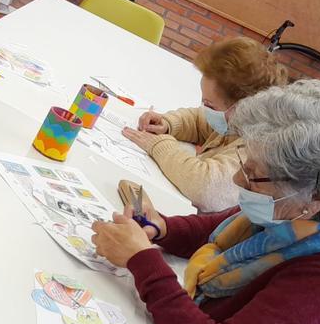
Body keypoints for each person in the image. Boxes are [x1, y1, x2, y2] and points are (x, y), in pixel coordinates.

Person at [92, 80, 320, 324]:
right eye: (246, 163)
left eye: (254, 174)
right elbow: (217, 227)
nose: (239, 180)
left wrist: (143, 262)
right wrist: (162, 229)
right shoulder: (292, 212)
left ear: (318, 197)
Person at [122, 37, 289, 211]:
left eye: (209, 104)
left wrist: (159, 145)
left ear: (242, 108)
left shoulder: (260, 151)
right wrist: (169, 123)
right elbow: (200, 119)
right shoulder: (239, 121)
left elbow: (205, 188)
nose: (204, 107)